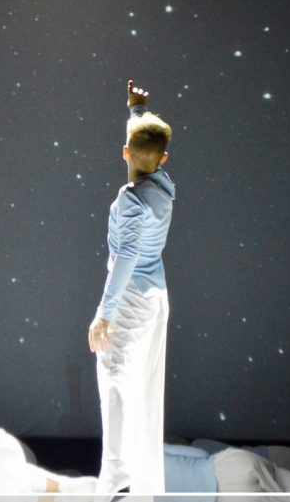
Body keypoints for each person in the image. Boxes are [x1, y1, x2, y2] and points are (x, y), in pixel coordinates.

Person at [88, 78, 175, 495]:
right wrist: (136, 112)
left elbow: (125, 256)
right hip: (155, 297)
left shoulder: (132, 199)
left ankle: (118, 480)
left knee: (115, 380)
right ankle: (135, 484)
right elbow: (145, 147)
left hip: (132, 297)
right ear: (163, 159)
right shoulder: (163, 187)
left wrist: (104, 313)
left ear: (124, 153)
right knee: (141, 387)